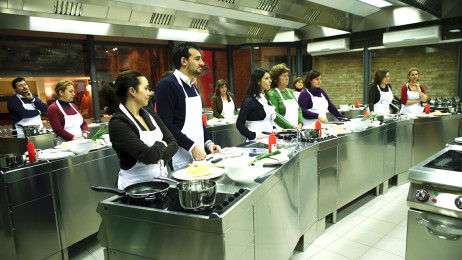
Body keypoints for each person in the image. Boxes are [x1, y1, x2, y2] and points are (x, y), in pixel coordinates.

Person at [156, 42, 220, 170]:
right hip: (179, 157)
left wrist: (208, 143)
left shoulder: (192, 86)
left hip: (199, 154)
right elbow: (166, 125)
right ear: (184, 61)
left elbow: (197, 121)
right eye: (197, 59)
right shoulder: (167, 85)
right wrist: (192, 146)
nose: (202, 63)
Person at [109, 70, 178, 189]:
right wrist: (162, 145)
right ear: (132, 91)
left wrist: (157, 155)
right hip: (135, 190)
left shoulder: (149, 113)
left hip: (162, 184)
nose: (149, 93)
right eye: (145, 88)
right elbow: (147, 155)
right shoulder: (118, 123)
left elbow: (173, 142)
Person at [236, 68, 276, 140]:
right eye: (267, 78)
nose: (270, 81)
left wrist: (275, 130)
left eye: (270, 78)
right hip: (257, 140)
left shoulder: (266, 98)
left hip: (268, 137)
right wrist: (252, 136)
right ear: (258, 81)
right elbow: (239, 124)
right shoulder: (249, 101)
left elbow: (267, 120)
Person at [47, 80, 89, 145]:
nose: (74, 94)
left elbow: (83, 123)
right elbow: (58, 130)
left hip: (81, 141)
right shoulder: (53, 108)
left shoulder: (74, 106)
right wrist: (76, 140)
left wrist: (84, 136)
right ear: (61, 92)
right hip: (66, 145)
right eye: (70, 91)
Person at [268, 64, 303, 130]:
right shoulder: (272, 93)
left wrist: (300, 123)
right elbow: (275, 115)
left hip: (296, 129)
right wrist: (291, 127)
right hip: (282, 131)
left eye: (287, 75)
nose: (287, 78)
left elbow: (298, 109)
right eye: (283, 76)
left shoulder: (290, 91)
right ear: (276, 79)